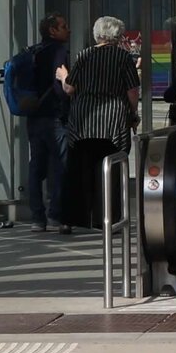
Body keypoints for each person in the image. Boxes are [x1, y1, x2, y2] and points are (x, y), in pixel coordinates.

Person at [63, 16, 140, 234]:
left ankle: (75, 218)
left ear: (97, 34)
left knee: (80, 169)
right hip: (112, 122)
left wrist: (62, 76)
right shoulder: (123, 57)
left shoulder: (84, 55)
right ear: (118, 35)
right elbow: (132, 91)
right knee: (111, 170)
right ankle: (106, 219)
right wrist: (133, 112)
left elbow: (69, 89)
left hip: (83, 122)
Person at [14, 15, 72, 230]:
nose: (69, 30)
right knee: (60, 166)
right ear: (52, 31)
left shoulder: (33, 52)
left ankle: (37, 217)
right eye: (64, 26)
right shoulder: (58, 52)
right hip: (54, 116)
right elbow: (59, 86)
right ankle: (56, 214)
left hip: (34, 116)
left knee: (36, 165)